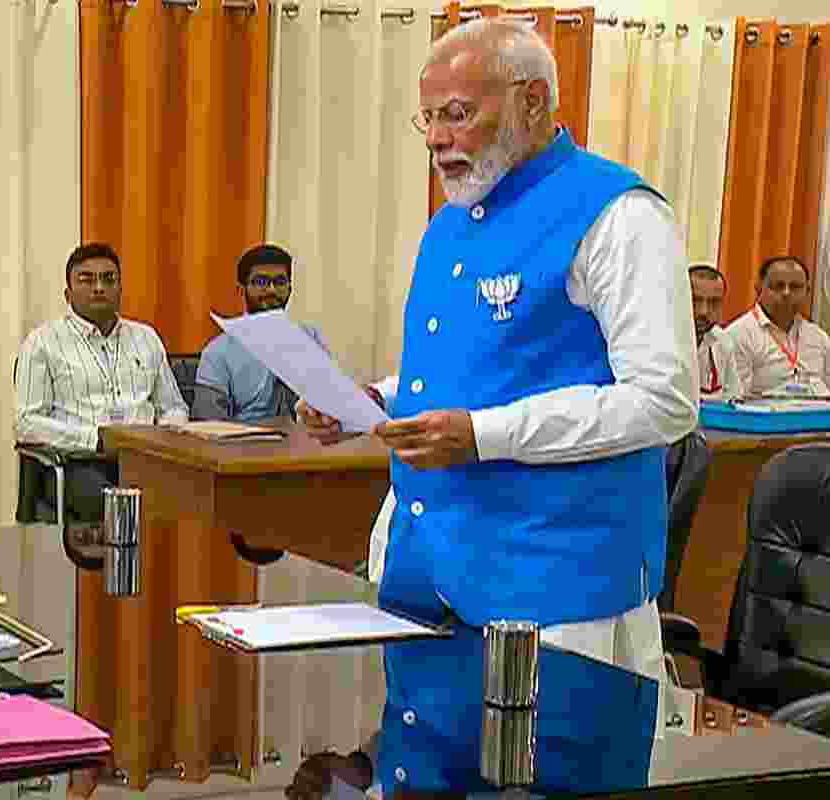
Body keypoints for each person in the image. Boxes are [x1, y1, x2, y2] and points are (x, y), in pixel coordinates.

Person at [292, 18, 695, 797]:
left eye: (458, 114)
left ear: (533, 102)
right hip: (433, 582)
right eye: (430, 118)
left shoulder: (618, 214)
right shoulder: (452, 223)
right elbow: (460, 374)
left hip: (557, 608)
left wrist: (483, 436)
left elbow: (663, 399)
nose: (439, 140)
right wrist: (366, 403)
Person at [14, 242, 188, 520]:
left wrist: (163, 437)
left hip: (147, 458)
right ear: (67, 293)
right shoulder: (42, 342)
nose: (99, 287)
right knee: (117, 507)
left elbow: (174, 407)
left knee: (194, 498)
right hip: (80, 462)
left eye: (109, 279)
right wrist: (96, 441)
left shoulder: (146, 338)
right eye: (87, 279)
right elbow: (26, 424)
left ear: (120, 289)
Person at [193, 244, 326, 422]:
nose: (271, 290)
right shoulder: (218, 353)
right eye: (261, 282)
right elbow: (208, 424)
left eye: (280, 282)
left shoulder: (310, 339)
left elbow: (330, 404)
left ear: (290, 289)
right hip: (244, 445)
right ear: (241, 290)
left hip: (306, 443)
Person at [722, 255, 830, 397]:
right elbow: (737, 400)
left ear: (807, 291)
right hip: (764, 417)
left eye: (795, 287)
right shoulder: (738, 335)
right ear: (759, 289)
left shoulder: (819, 337)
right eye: (777, 286)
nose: (786, 293)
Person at [689, 263, 742, 400]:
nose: (703, 311)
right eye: (695, 300)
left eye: (714, 302)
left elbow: (734, 398)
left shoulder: (722, 340)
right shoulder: (659, 341)